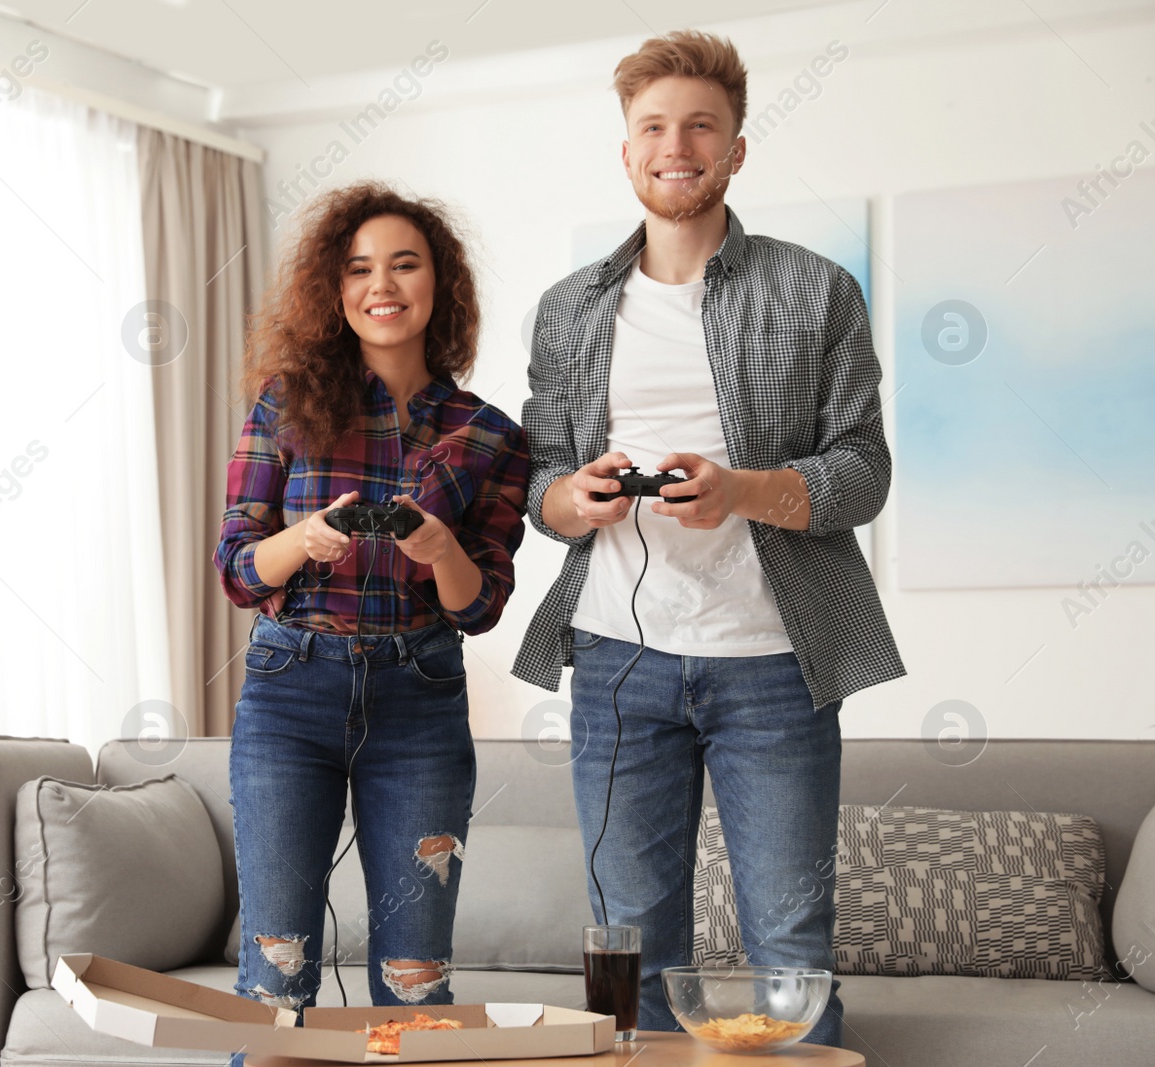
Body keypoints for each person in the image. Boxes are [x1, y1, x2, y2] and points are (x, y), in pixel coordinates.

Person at [512, 30, 905, 1048]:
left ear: (735, 148)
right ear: (627, 150)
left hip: (772, 663)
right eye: (651, 127)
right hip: (613, 662)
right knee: (625, 950)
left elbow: (861, 471)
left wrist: (740, 490)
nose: (673, 145)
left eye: (698, 126)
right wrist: (575, 498)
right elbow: (537, 486)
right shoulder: (568, 310)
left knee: (790, 940)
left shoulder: (815, 290)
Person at [214, 181, 529, 1013]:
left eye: (403, 265)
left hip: (419, 699)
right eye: (358, 269)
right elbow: (238, 569)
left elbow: (482, 603)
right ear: (336, 290)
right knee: (275, 979)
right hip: (290, 692)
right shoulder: (285, 402)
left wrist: (439, 548)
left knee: (415, 983)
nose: (381, 286)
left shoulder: (490, 433)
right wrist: (306, 537)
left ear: (440, 284)